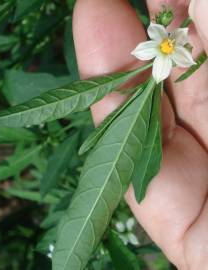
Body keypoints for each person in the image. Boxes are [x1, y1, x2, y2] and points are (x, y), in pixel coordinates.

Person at [73, 0, 208, 269]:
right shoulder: (163, 51)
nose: (167, 46)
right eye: (166, 45)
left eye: (168, 45)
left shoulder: (169, 48)